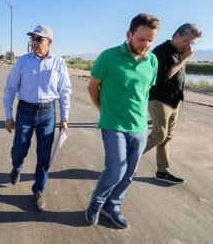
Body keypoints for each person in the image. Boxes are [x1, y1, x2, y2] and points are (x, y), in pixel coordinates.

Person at [85, 13, 160, 228]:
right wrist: (104, 110)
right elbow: (92, 87)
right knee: (115, 170)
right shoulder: (108, 57)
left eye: (150, 40)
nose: (145, 45)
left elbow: (146, 89)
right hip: (112, 125)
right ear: (129, 34)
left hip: (139, 126)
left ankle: (113, 205)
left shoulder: (152, 60)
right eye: (141, 39)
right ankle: (96, 203)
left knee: (129, 173)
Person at [3, 24, 72, 211]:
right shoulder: (22, 62)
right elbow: (10, 88)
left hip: (48, 113)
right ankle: (16, 167)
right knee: (19, 150)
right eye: (32, 38)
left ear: (49, 41)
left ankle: (38, 190)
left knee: (44, 156)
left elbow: (65, 91)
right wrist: (8, 115)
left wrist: (64, 117)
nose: (34, 42)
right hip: (25, 111)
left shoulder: (59, 63)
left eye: (38, 39)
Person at [143, 24, 202, 184]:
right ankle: (127, 159)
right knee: (159, 135)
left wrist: (183, 57)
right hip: (159, 99)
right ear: (176, 35)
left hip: (174, 101)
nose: (188, 45)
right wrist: (184, 60)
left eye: (192, 43)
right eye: (186, 40)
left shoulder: (180, 51)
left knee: (167, 137)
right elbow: (165, 75)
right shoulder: (161, 51)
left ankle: (162, 171)